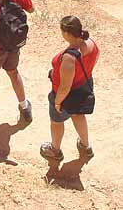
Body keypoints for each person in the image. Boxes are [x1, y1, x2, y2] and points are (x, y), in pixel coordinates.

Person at [40, 16, 99, 163]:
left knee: (57, 122)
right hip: (83, 87)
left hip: (67, 94)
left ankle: (55, 151)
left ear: (66, 33)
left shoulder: (69, 57)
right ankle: (85, 146)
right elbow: (94, 60)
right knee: (78, 116)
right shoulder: (91, 43)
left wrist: (58, 102)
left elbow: (65, 86)